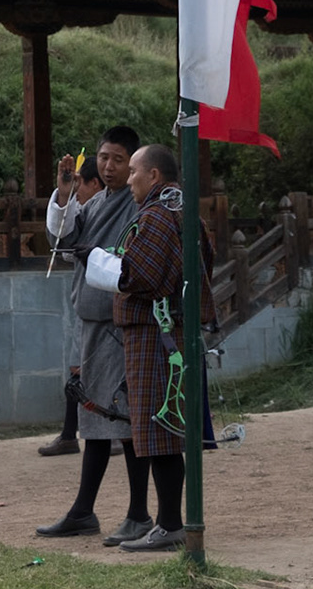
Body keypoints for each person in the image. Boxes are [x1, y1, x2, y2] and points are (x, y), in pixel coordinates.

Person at [87, 144, 214, 552]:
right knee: (164, 427)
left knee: (158, 429)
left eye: (134, 172)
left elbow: (139, 273)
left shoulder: (158, 215)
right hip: (169, 330)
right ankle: (168, 521)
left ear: (154, 176)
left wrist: (100, 263)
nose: (129, 180)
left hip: (155, 333)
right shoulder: (181, 210)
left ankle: (171, 523)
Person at [36, 126, 153, 548]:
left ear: (135, 164)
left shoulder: (140, 205)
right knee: (97, 421)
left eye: (118, 159)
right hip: (92, 327)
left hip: (121, 328)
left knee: (122, 420)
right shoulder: (96, 201)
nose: (108, 166)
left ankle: (138, 513)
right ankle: (83, 510)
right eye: (103, 157)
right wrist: (65, 193)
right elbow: (62, 242)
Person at [38, 152, 102, 457]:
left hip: (112, 308)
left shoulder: (121, 209)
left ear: (95, 183)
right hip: (88, 305)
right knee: (79, 370)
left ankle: (109, 433)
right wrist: (63, 197)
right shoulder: (85, 211)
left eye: (81, 184)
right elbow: (63, 245)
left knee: (98, 373)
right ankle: (69, 434)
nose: (78, 191)